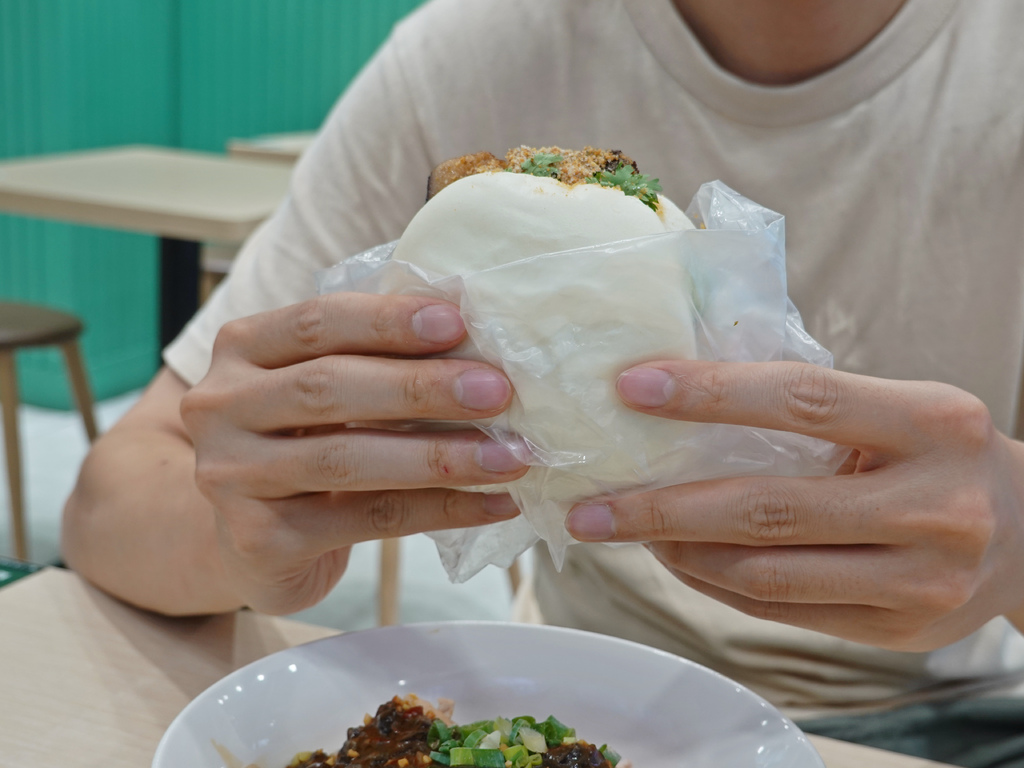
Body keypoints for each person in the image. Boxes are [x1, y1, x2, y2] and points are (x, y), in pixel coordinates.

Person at [62, 0, 1024, 763]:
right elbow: (113, 499)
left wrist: (1016, 543)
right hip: (571, 697)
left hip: (951, 727)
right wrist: (239, 530)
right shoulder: (474, 49)